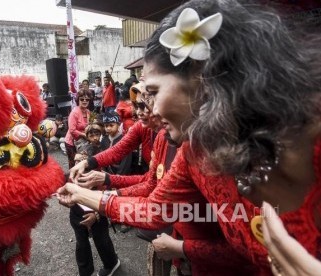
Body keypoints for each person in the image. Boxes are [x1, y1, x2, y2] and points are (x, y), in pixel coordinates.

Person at [59, 0, 321, 274]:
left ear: (201, 75)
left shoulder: (310, 137)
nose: (152, 109)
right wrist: (82, 191)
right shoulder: (195, 151)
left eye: (155, 92)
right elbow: (154, 209)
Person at [66, 126, 121, 276]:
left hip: (98, 211)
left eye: (84, 161)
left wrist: (96, 215)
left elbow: (108, 196)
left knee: (102, 241)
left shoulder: (100, 176)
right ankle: (85, 271)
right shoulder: (72, 174)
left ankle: (112, 263)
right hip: (77, 214)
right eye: (77, 160)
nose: (79, 164)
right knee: (81, 244)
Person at [64, 89, 92, 168]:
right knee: (73, 163)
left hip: (81, 142)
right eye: (82, 99)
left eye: (87, 99)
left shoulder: (88, 112)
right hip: (71, 143)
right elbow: (72, 130)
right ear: (78, 100)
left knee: (81, 162)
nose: (84, 101)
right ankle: (71, 179)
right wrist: (85, 135)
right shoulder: (74, 113)